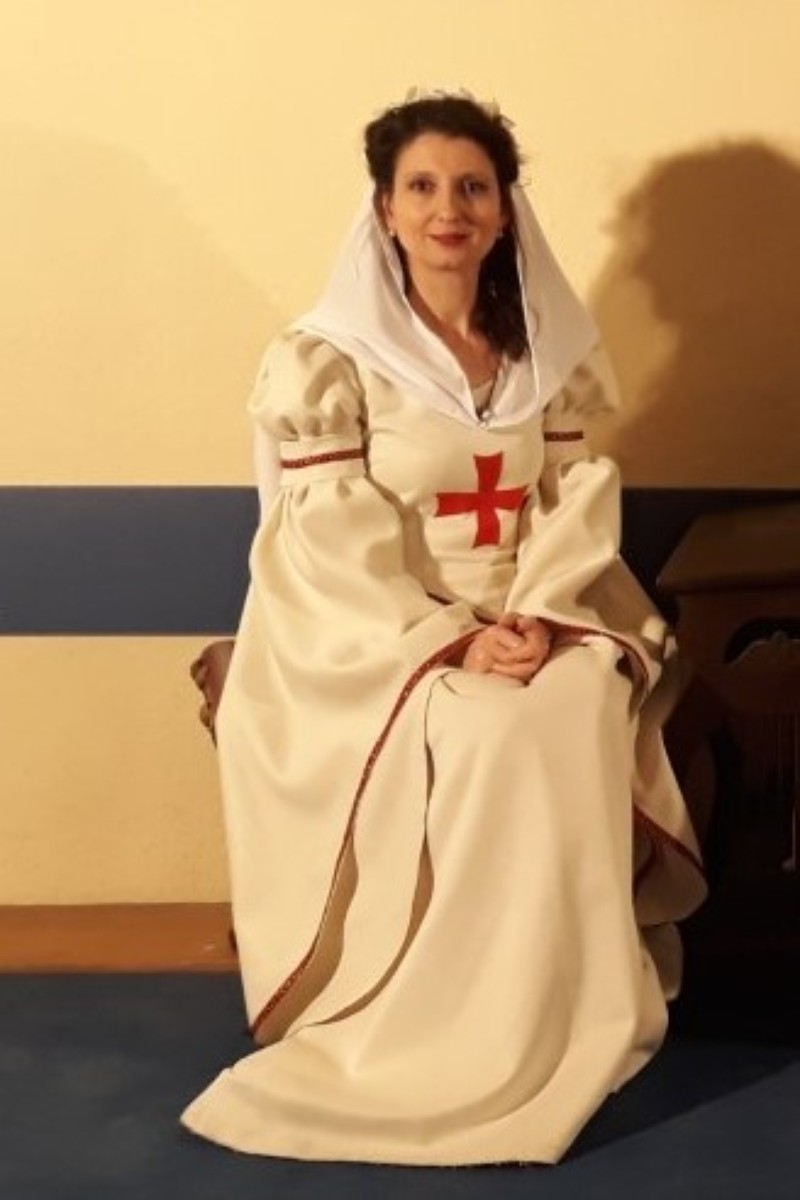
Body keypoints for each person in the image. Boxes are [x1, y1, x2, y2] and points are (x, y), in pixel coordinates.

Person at [182, 90, 706, 1166]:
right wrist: (453, 639)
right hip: (376, 630)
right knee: (486, 728)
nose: (447, 209)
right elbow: (324, 540)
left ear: (504, 209)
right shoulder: (329, 359)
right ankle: (447, 1023)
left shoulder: (540, 353)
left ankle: (558, 1000)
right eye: (421, 187)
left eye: (472, 186)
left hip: (533, 608)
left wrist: (540, 615)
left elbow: (566, 503)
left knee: (579, 699)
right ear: (384, 208)